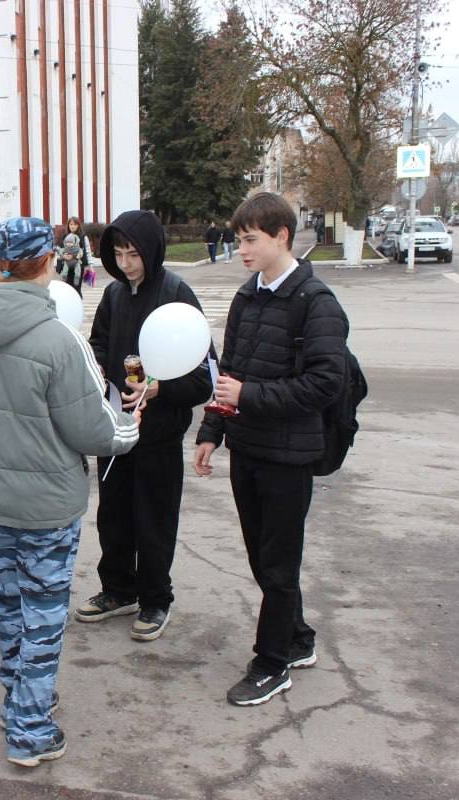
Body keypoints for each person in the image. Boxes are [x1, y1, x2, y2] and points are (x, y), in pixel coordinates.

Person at [0, 216, 141, 768]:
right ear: (48, 263)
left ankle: (19, 697)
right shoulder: (58, 339)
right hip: (45, 505)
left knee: (12, 600)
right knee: (43, 612)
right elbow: (94, 431)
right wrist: (131, 427)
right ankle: (30, 728)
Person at [193, 192, 348, 707]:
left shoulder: (316, 302)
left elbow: (326, 382)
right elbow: (228, 371)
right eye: (238, 239)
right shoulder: (247, 296)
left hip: (289, 456)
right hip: (249, 447)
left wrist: (249, 397)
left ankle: (271, 663)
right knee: (264, 558)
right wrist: (212, 431)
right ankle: (297, 639)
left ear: (282, 236)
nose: (241, 248)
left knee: (278, 564)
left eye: (250, 239)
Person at [74, 211, 212, 641]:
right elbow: (98, 341)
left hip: (158, 433)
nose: (127, 262)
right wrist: (96, 364)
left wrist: (159, 391)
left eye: (133, 254)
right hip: (115, 427)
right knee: (113, 513)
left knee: (153, 517)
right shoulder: (115, 295)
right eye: (118, 254)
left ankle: (156, 598)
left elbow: (203, 374)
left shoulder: (176, 293)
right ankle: (118, 589)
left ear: (151, 251)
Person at [56, 216, 91, 296]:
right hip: (67, 266)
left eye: (75, 224)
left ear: (78, 225)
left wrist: (90, 266)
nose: (73, 226)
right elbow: (59, 250)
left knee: (77, 288)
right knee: (68, 288)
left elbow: (88, 252)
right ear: (68, 225)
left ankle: (78, 305)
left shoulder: (83, 237)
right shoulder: (64, 236)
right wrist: (63, 256)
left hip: (79, 265)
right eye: (71, 224)